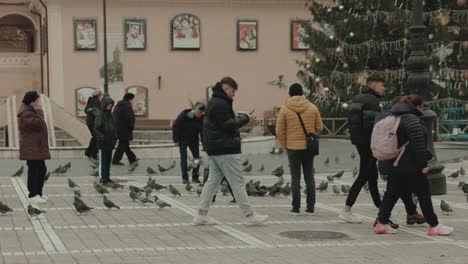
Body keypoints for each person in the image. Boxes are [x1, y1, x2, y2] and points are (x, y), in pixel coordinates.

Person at [193, 77, 268, 226]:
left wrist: (239, 117)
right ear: (226, 88)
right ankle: (250, 215)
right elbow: (228, 125)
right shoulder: (220, 104)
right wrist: (244, 118)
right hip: (225, 149)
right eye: (233, 91)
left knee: (212, 182)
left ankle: (201, 214)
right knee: (237, 182)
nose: (234, 95)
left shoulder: (214, 102)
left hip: (216, 149)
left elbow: (222, 124)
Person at [375, 95, 454, 236]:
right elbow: (418, 146)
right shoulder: (412, 120)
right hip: (411, 166)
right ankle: (434, 226)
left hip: (394, 163)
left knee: (391, 194)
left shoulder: (392, 118)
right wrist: (423, 165)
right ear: (417, 106)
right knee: (424, 194)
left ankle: (382, 223)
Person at [340, 76, 385, 224]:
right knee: (364, 174)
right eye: (382, 86)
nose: (384, 89)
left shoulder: (357, 98)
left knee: (372, 175)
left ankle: (381, 208)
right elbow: (373, 126)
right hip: (369, 144)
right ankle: (347, 209)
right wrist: (377, 144)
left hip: (359, 142)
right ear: (375, 85)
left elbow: (354, 124)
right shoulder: (372, 102)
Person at [275, 83, 323, 215]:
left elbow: (279, 131)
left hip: (293, 148)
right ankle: (310, 207)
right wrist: (312, 135)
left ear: (290, 94)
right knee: (309, 176)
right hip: (308, 148)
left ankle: (296, 207)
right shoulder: (312, 107)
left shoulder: (285, 109)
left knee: (295, 177)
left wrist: (286, 144)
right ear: (302, 94)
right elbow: (319, 127)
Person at [18, 91, 50, 204]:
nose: (40, 102)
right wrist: (39, 111)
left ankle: (38, 193)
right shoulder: (26, 113)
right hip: (32, 148)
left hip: (36, 147)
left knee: (41, 169)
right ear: (33, 102)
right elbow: (38, 124)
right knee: (34, 171)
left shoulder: (30, 111)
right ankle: (33, 195)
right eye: (38, 100)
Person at [172, 102, 205, 184]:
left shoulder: (201, 118)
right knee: (183, 159)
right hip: (182, 140)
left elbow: (203, 132)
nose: (201, 114)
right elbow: (176, 126)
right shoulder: (184, 114)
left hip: (194, 140)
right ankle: (185, 178)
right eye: (200, 112)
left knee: (196, 159)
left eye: (202, 113)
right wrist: (176, 140)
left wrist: (205, 145)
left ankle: (195, 177)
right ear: (195, 110)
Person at [94, 96, 117, 185]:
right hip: (103, 142)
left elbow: (114, 127)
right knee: (103, 162)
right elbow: (96, 129)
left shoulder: (111, 115)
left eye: (111, 106)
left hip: (110, 142)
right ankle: (103, 178)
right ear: (104, 105)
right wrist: (102, 137)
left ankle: (107, 177)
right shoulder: (100, 115)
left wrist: (115, 137)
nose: (109, 107)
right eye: (108, 106)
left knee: (108, 161)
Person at [112, 93, 138, 166]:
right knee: (123, 144)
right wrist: (131, 127)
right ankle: (116, 160)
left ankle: (132, 158)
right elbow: (129, 118)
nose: (133, 101)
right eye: (133, 99)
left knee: (125, 145)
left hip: (118, 128)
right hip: (125, 129)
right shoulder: (127, 106)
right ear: (130, 99)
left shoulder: (118, 105)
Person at [84, 90, 102, 161]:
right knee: (97, 137)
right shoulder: (95, 102)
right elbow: (97, 113)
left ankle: (89, 152)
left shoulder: (91, 101)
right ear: (99, 96)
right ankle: (93, 154)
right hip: (94, 122)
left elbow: (86, 110)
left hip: (90, 122)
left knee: (95, 137)